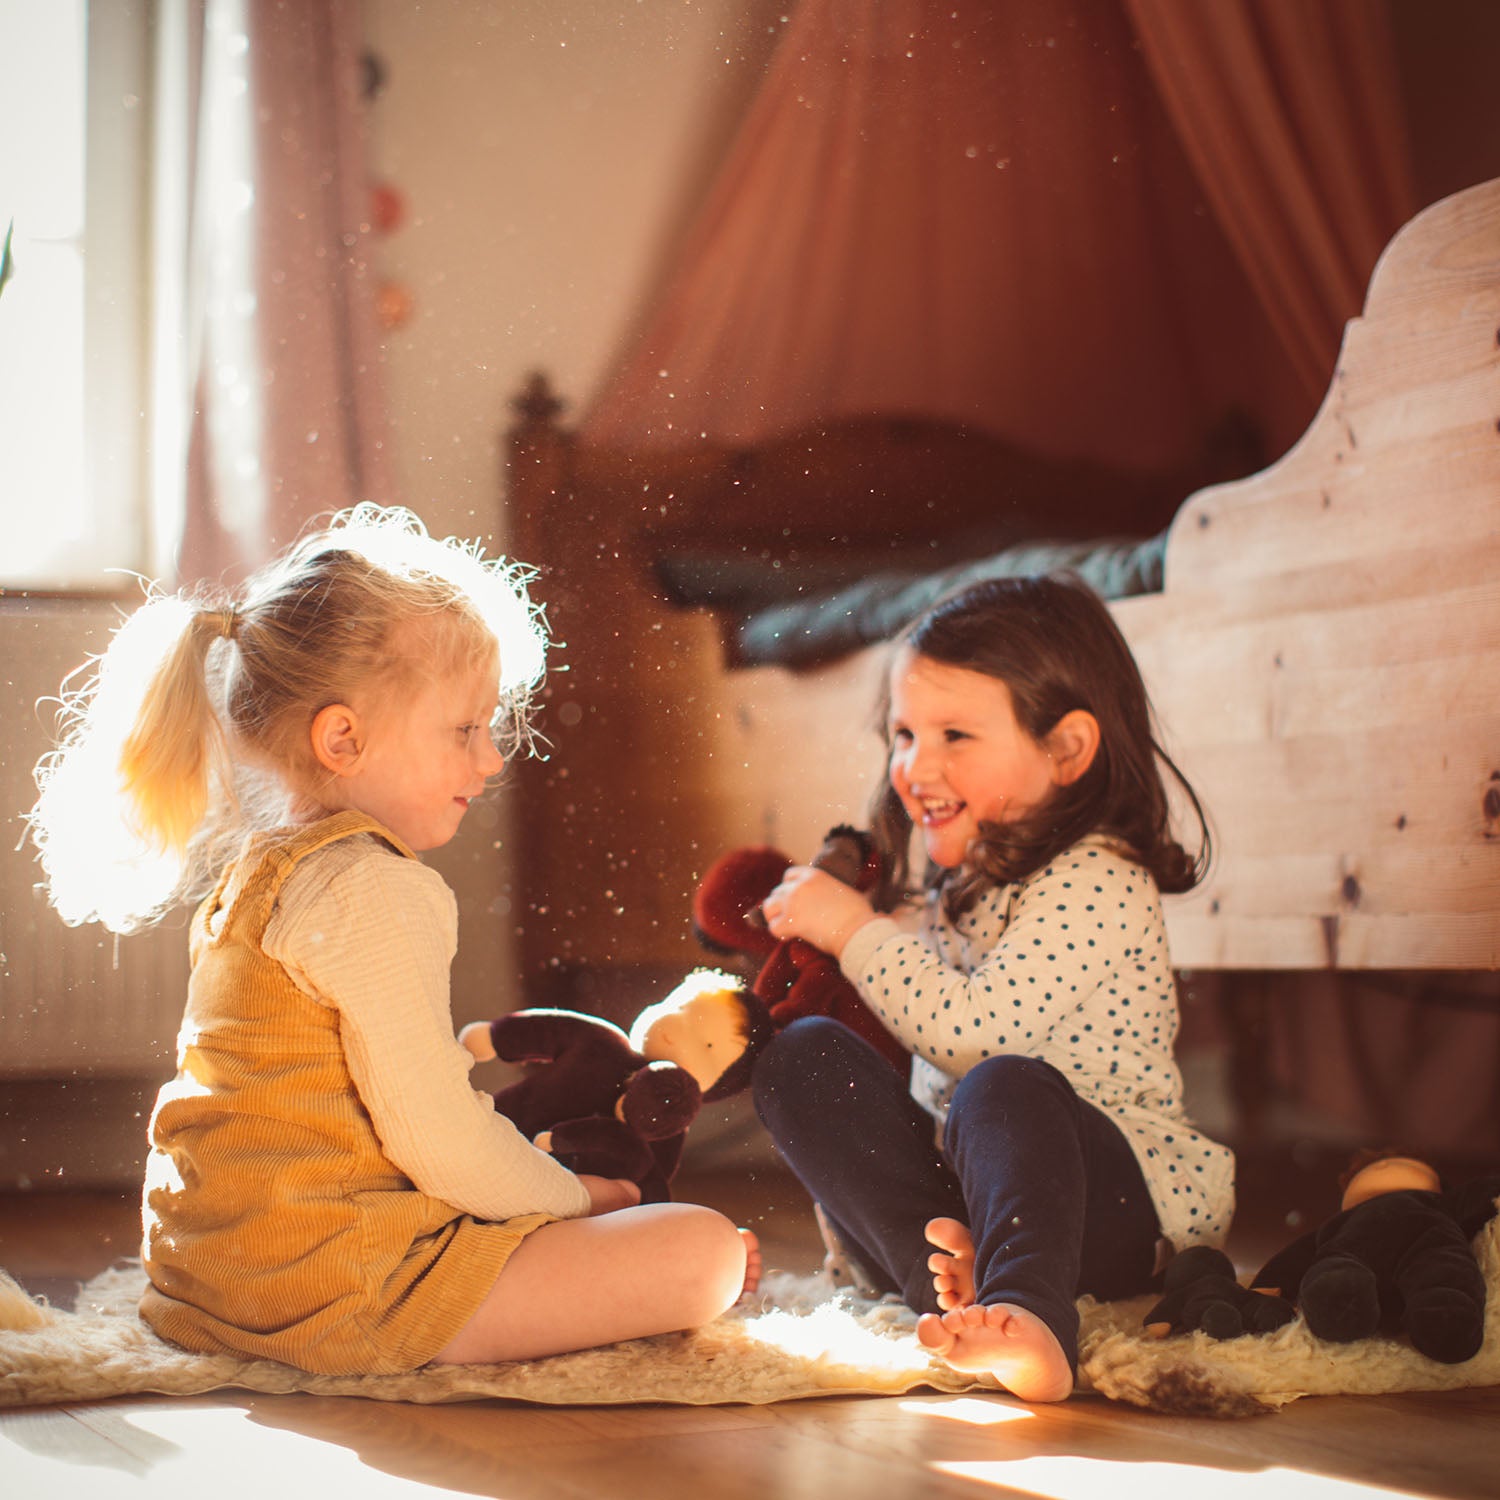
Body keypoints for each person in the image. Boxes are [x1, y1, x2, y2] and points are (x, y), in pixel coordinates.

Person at [29, 504, 755, 1376]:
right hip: (336, 1290)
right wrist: (574, 1198)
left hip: (205, 1278)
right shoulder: (375, 886)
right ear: (343, 737)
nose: (489, 760)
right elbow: (436, 1136)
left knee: (565, 1204)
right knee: (700, 1248)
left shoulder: (263, 872)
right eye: (463, 730)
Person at [753, 574, 1233, 1402]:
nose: (913, 767)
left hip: (1114, 1203)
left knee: (1001, 1082)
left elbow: (977, 1033)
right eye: (903, 734)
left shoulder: (1098, 876)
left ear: (1067, 751)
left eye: (954, 735)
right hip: (977, 1189)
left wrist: (855, 931)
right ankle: (937, 1284)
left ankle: (1029, 1312)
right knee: (796, 1057)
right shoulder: (961, 882)